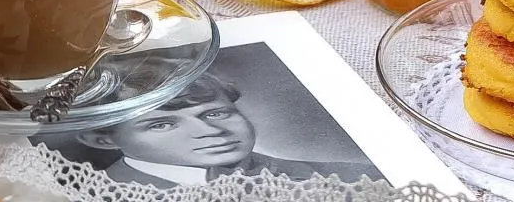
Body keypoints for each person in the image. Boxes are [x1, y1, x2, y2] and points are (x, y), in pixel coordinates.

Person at [78, 72, 384, 188]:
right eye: (161, 124)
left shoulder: (361, 177)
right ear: (102, 139)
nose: (209, 131)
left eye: (215, 112)